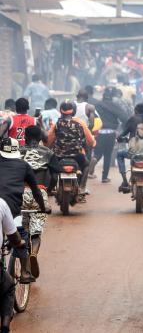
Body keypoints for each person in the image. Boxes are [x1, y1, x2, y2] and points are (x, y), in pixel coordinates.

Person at [0, 137, 47, 284]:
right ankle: (25, 273)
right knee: (21, 235)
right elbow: (36, 191)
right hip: (13, 209)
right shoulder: (23, 165)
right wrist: (43, 208)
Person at [19, 126, 58, 279]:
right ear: (40, 138)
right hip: (39, 193)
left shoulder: (17, 151)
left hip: (19, 193)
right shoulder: (48, 152)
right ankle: (33, 253)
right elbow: (55, 176)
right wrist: (49, 190)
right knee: (36, 232)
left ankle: (22, 262)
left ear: (25, 137)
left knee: (22, 230)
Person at [47, 101, 96, 196]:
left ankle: (50, 188)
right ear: (73, 111)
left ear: (61, 111)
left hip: (59, 156)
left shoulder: (56, 124)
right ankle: (82, 187)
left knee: (50, 166)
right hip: (77, 155)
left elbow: (49, 140)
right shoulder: (80, 123)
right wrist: (92, 143)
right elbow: (90, 140)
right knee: (86, 165)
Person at [0, 194, 26, 332]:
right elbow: (14, 236)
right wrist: (20, 242)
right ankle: (4, 328)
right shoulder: (1, 204)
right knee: (9, 286)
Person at [93, 87, 129, 183]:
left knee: (97, 153)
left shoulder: (97, 105)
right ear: (111, 97)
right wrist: (124, 129)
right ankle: (104, 177)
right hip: (110, 133)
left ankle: (94, 161)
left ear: (103, 97)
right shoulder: (114, 105)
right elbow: (124, 117)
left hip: (99, 132)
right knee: (107, 155)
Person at [116, 121, 143, 193]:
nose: (139, 130)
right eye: (138, 128)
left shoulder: (135, 138)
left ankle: (124, 180)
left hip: (138, 157)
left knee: (119, 154)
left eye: (141, 129)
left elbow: (130, 148)